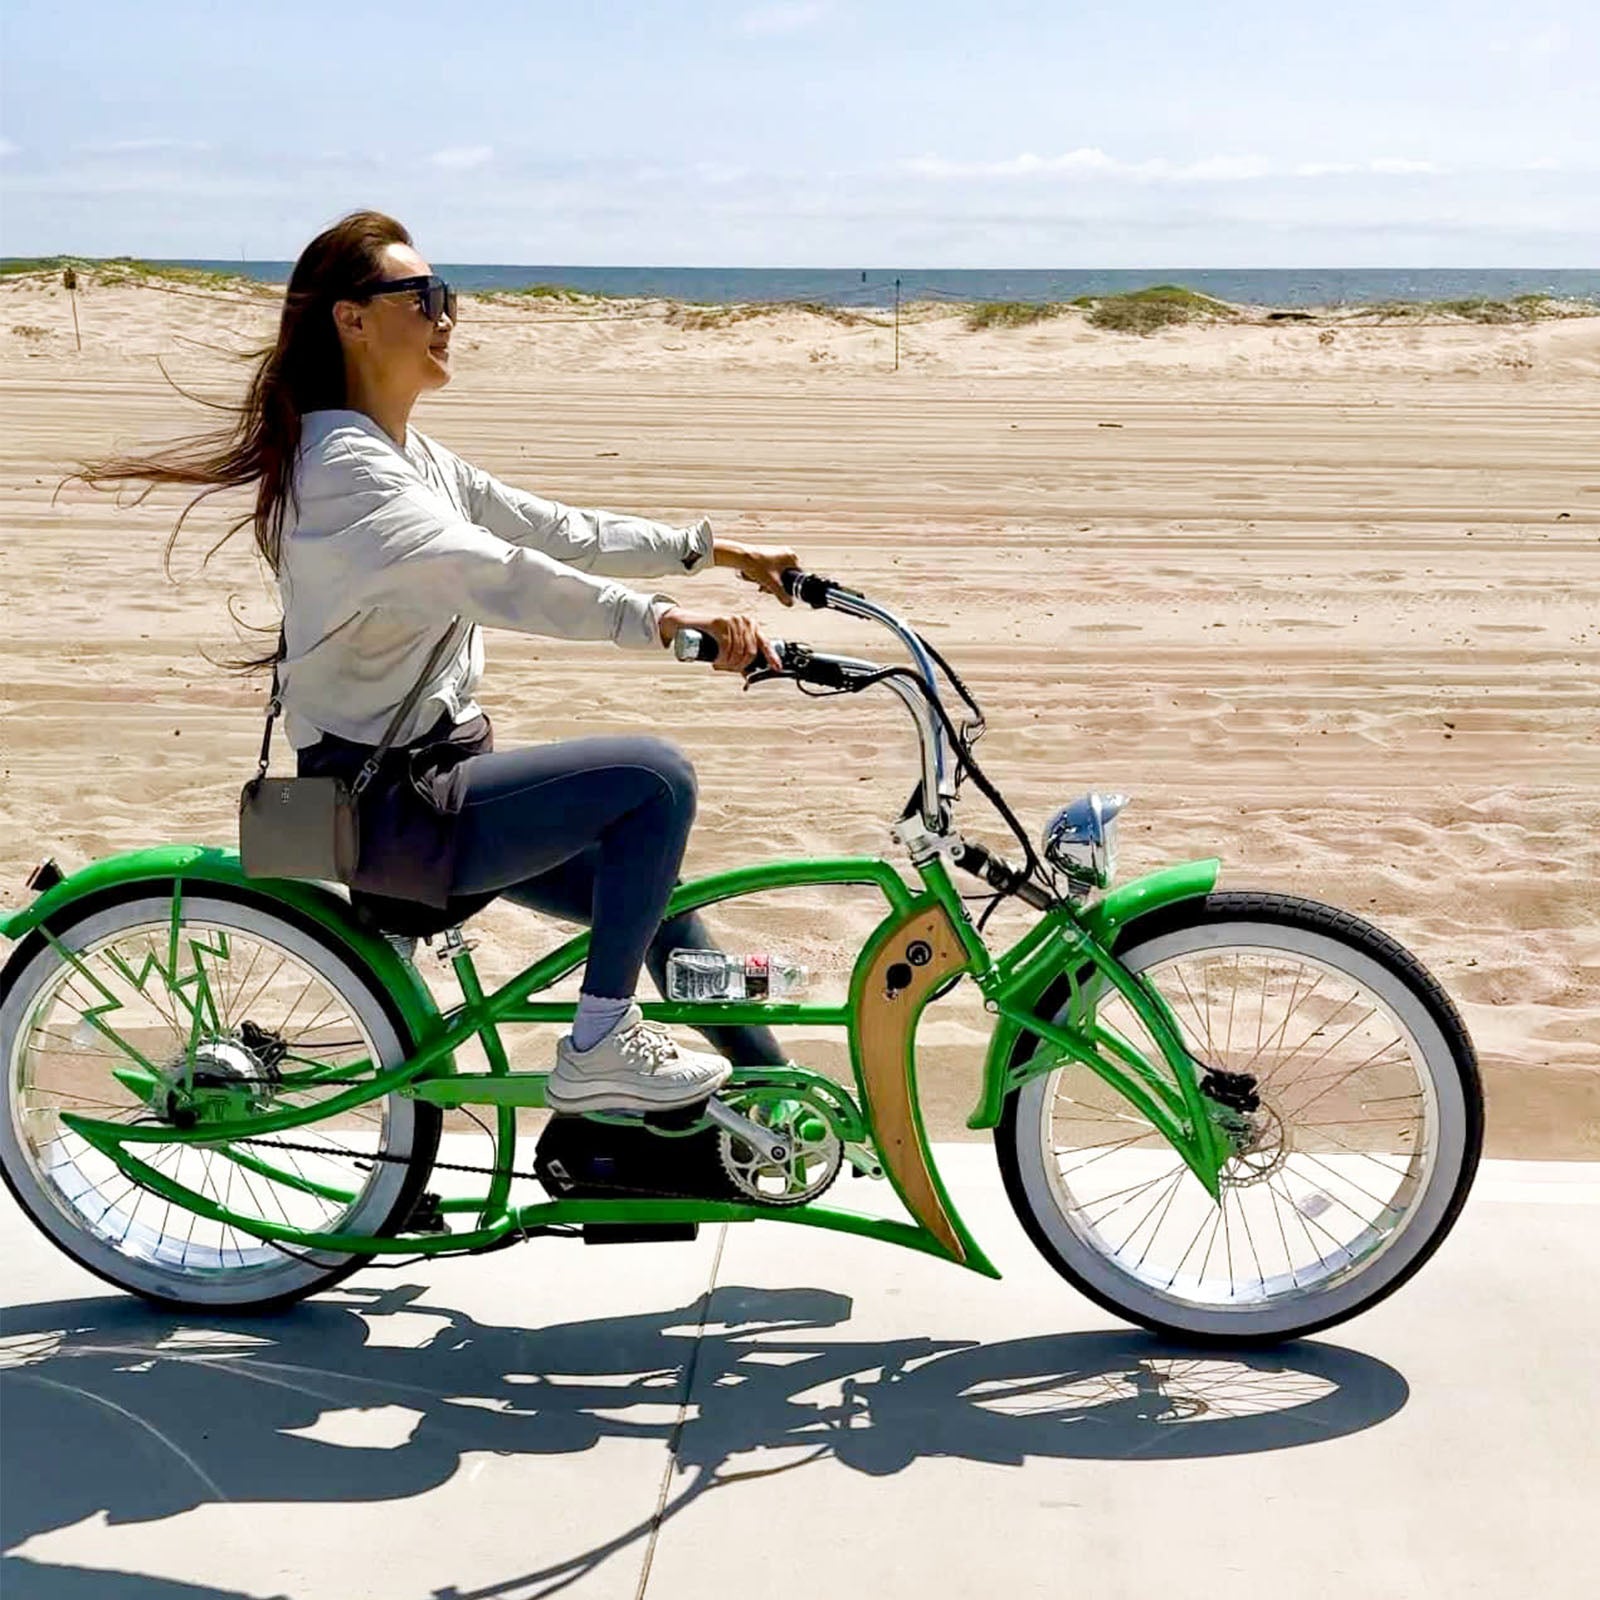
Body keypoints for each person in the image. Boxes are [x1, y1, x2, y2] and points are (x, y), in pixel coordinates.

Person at [79, 209, 795, 1114]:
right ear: (352, 318)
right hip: (399, 810)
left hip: (441, 785)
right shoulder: (347, 476)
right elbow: (495, 573)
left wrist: (720, 553)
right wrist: (660, 622)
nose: (447, 315)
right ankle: (599, 1045)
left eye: (445, 294)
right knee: (655, 781)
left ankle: (779, 1111)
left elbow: (557, 529)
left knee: (654, 899)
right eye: (423, 297)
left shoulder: (405, 456)